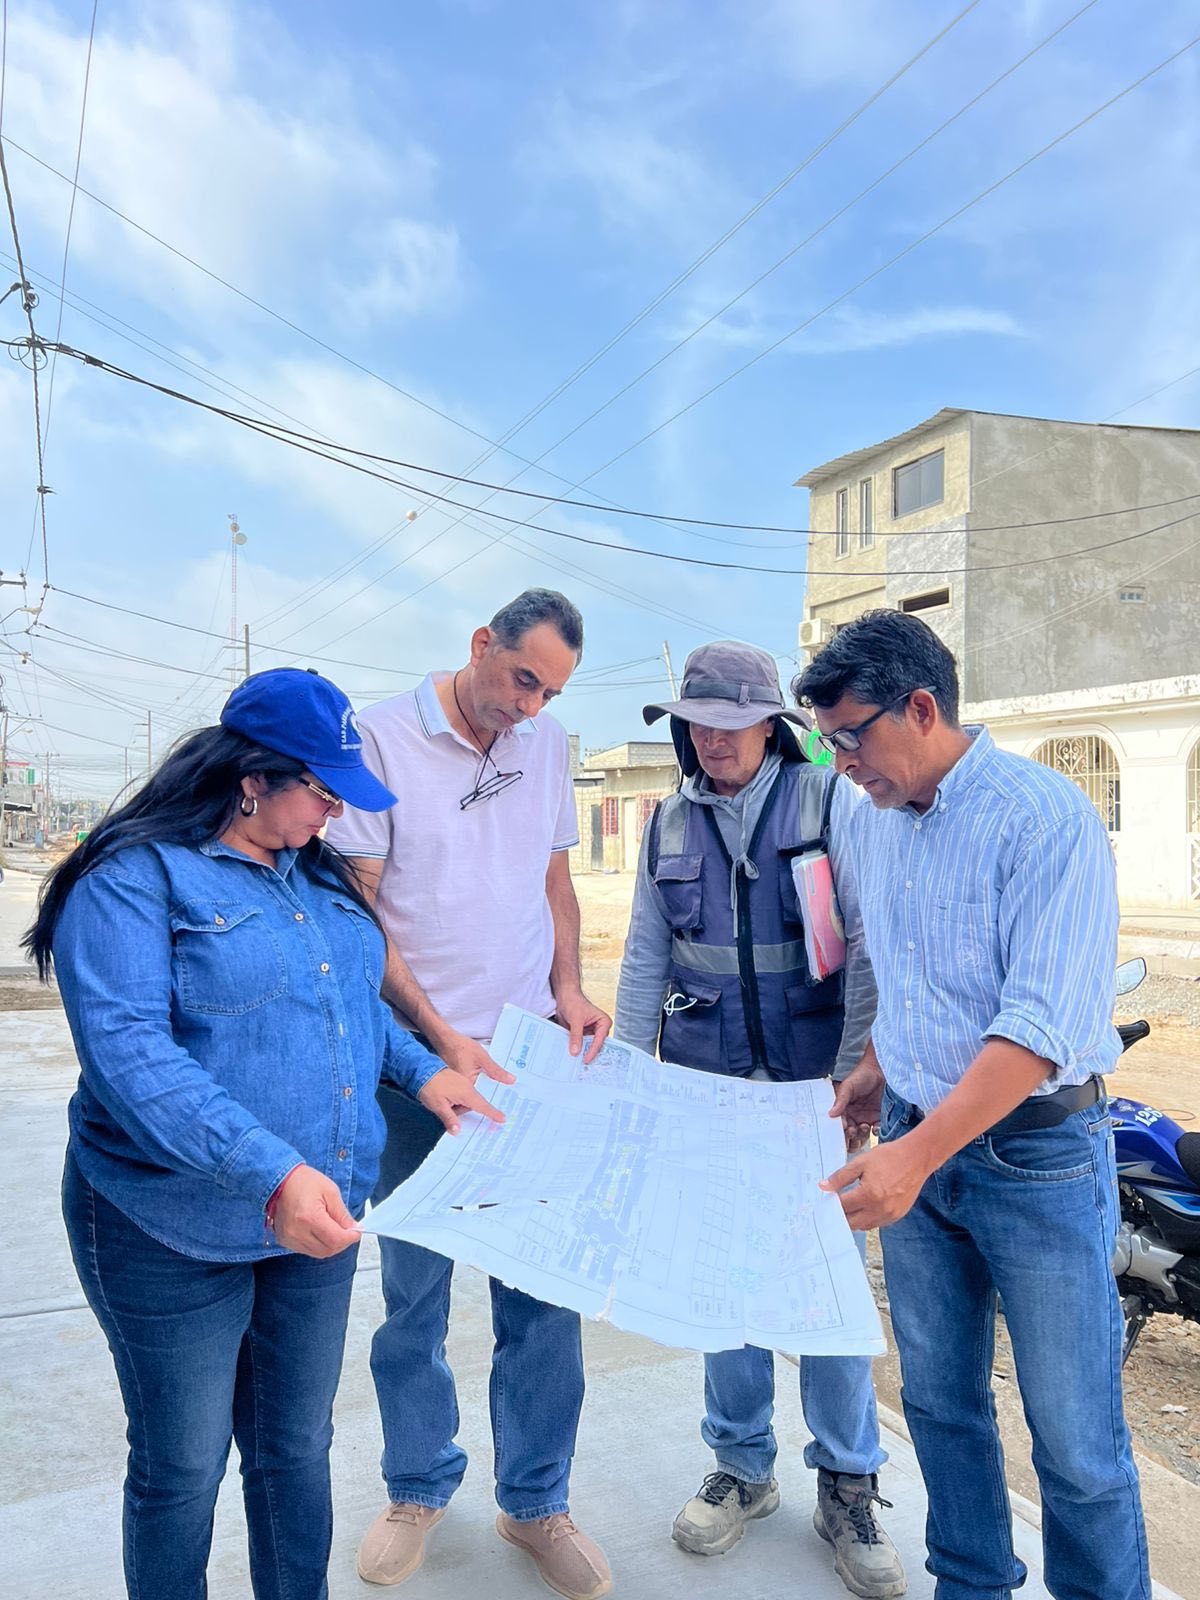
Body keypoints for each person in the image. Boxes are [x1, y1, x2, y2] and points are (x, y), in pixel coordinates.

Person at [27, 668, 500, 1600]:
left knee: (294, 1449)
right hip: (168, 1228)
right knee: (183, 1466)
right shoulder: (133, 882)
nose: (335, 812)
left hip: (313, 1225)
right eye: (321, 791)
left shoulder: (315, 877)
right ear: (252, 779)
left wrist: (424, 1071)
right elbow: (130, 1057)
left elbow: (350, 1008)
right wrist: (269, 1174)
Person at [794, 610, 1150, 1600]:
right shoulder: (870, 816)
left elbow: (1037, 1028)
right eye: (827, 743)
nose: (841, 762)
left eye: (851, 736)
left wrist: (913, 1157)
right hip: (916, 1132)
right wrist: (877, 1065)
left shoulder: (1045, 819)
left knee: (1075, 1439)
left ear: (921, 707)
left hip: (1036, 1158)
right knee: (942, 1407)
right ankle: (971, 1584)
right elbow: (906, 967)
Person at [326, 589, 614, 1600]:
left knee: (542, 1298)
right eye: (522, 679)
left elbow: (555, 882)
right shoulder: (380, 739)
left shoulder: (547, 742)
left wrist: (570, 987)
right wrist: (440, 1037)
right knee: (414, 1296)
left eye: (551, 692)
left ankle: (535, 1502)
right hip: (417, 1070)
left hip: (528, 1063)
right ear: (482, 644)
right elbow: (359, 913)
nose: (530, 706)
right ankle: (416, 1487)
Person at [612, 640, 905, 1600]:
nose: (713, 739)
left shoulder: (829, 804)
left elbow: (867, 946)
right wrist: (631, 1081)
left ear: (770, 726)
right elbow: (646, 955)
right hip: (708, 1091)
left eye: (733, 724)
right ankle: (741, 1467)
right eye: (698, 723)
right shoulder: (667, 820)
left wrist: (855, 1074)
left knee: (826, 1289)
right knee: (724, 1284)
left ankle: (848, 1482)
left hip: (814, 1092)